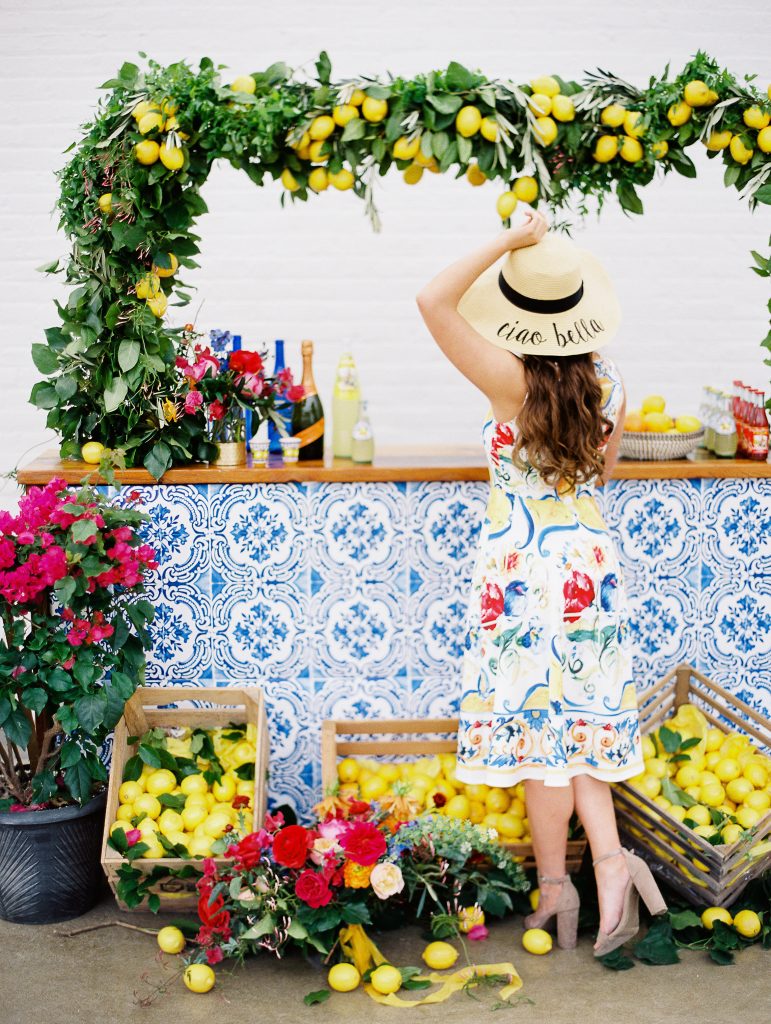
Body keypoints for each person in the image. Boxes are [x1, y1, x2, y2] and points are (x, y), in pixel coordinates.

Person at [415, 207, 667, 957]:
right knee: (578, 731)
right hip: (588, 571)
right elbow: (600, 479)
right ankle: (591, 878)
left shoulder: (503, 378)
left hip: (520, 579)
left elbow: (431, 299)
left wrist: (509, 240)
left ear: (519, 316)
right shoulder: (612, 385)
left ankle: (575, 882)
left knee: (537, 735)